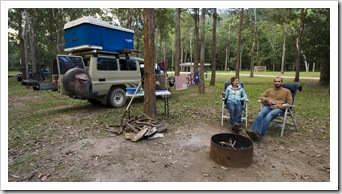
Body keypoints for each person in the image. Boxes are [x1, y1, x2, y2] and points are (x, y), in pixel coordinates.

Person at [246, 77, 292, 141]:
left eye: (279, 81)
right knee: (261, 114)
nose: (277, 83)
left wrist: (278, 106)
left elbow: (289, 103)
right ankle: (254, 132)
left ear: (282, 82)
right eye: (275, 81)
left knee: (269, 116)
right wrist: (268, 100)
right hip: (269, 106)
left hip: (279, 109)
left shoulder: (287, 91)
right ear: (273, 82)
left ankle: (259, 135)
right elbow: (261, 97)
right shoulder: (269, 90)